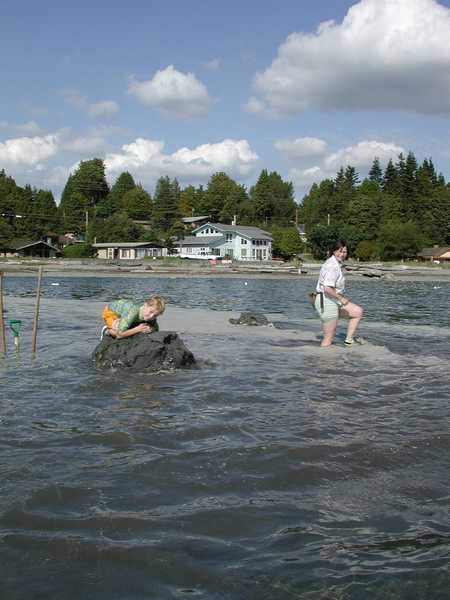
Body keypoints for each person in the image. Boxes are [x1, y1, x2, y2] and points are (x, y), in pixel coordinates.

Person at [313, 240, 363, 347]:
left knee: (357, 312)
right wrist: (341, 298)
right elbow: (327, 288)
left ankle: (348, 340)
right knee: (328, 338)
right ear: (334, 251)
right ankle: (324, 356)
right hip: (326, 301)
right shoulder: (332, 266)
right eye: (340, 251)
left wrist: (339, 299)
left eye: (344, 252)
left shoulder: (336, 263)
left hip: (332, 300)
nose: (342, 254)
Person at [101, 295, 166, 340]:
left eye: (155, 315)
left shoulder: (152, 317)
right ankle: (108, 331)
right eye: (151, 312)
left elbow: (156, 329)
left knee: (131, 326)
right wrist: (138, 329)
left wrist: (151, 329)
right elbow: (119, 335)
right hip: (111, 312)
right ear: (145, 305)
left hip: (126, 314)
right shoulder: (133, 312)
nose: (151, 316)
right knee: (118, 328)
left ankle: (126, 323)